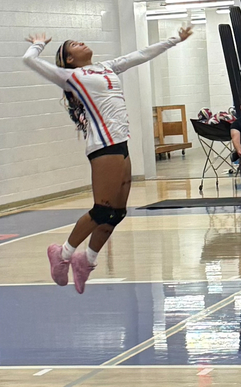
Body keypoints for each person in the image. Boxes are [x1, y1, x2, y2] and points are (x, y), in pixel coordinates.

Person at [24, 26, 192, 293]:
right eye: (74, 45)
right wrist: (38, 44)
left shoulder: (107, 67)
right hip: (104, 146)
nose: (81, 43)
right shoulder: (71, 76)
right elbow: (29, 61)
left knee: (117, 212)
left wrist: (174, 40)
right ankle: (63, 254)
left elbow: (141, 54)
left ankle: (86, 260)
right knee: (101, 209)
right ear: (69, 59)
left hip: (121, 143)